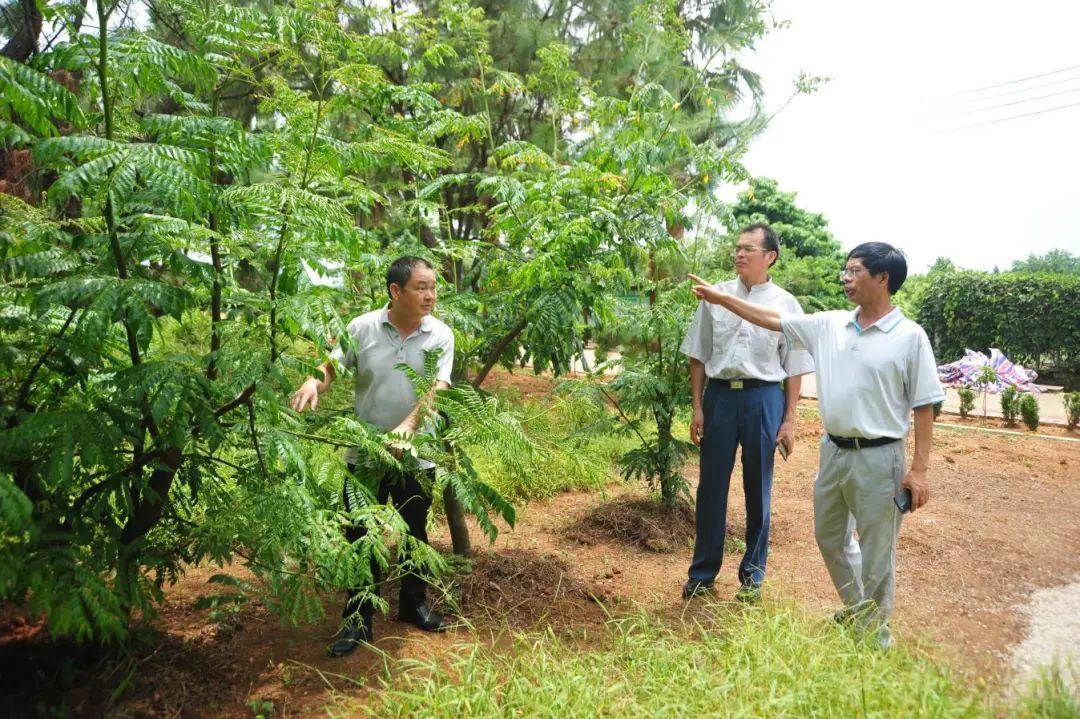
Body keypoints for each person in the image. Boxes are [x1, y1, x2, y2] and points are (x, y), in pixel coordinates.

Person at [688, 241, 945, 647]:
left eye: (855, 271)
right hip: (834, 453)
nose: (846, 278)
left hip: (882, 457)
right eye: (845, 270)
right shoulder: (831, 324)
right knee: (830, 538)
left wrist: (920, 468)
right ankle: (860, 608)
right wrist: (722, 299)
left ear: (883, 278)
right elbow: (770, 318)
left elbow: (925, 405)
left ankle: (875, 638)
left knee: (878, 552)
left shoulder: (910, 337)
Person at [289, 255, 454, 657]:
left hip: (417, 455)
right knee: (361, 535)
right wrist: (314, 382)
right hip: (364, 453)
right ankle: (358, 616)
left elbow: (439, 388)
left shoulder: (440, 335)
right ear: (395, 291)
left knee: (415, 532)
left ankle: (413, 604)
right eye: (421, 287)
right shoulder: (361, 327)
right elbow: (332, 366)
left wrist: (409, 427)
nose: (430, 295)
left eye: (432, 287)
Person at [680, 223, 814, 603]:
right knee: (711, 489)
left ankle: (753, 576)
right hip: (720, 398)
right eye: (737, 248)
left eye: (748, 249)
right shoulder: (714, 294)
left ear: (770, 256)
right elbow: (698, 354)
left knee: (759, 488)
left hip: (763, 399)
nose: (739, 254)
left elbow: (795, 367)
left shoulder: (786, 304)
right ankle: (703, 572)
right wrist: (697, 407)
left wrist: (789, 419)